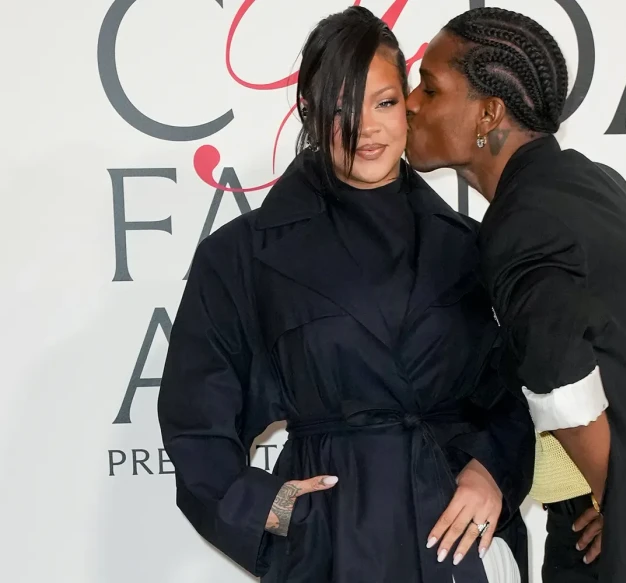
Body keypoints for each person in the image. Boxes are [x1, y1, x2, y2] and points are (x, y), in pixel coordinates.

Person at [157, 6, 534, 583]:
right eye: (341, 110)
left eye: (383, 102)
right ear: (308, 111)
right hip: (336, 547)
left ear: (407, 105)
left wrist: (491, 471)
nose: (366, 129)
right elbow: (195, 424)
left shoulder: (470, 244)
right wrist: (278, 512)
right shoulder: (243, 255)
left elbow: (515, 390)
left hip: (457, 541)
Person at [405, 7, 626, 583]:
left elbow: (563, 386)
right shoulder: (588, 183)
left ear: (489, 113)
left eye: (431, 88)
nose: (412, 103)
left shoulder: (523, 222)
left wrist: (621, 505)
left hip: (625, 541)